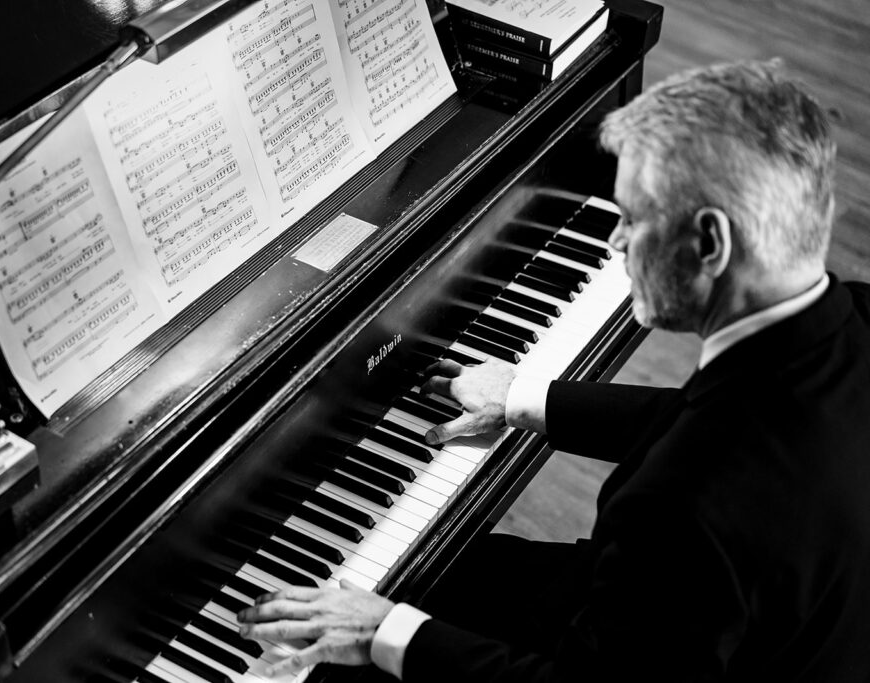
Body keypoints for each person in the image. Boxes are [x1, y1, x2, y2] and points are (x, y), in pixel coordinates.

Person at [236, 59, 870, 681]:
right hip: (769, 616)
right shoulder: (850, 320)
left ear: (710, 243)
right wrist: (525, 398)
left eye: (632, 218)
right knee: (435, 569)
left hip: (683, 637)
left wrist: (383, 632)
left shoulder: (685, 509)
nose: (616, 242)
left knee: (338, 640)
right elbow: (725, 420)